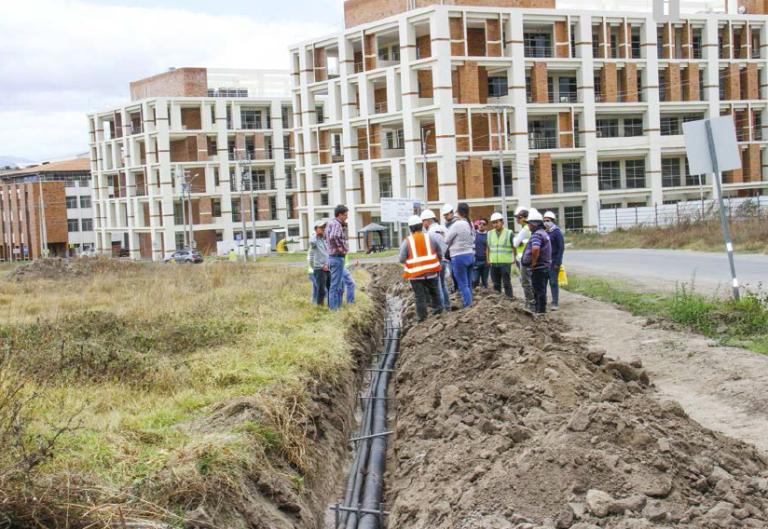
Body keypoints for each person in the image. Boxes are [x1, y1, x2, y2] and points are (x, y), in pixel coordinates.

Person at [400, 215, 444, 322]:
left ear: (410, 228)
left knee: (420, 297)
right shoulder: (430, 237)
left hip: (415, 275)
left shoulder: (407, 241)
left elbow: (401, 258)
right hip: (432, 273)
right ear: (421, 226)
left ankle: (422, 319)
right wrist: (436, 263)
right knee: (435, 293)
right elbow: (439, 253)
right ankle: (439, 315)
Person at [521, 210, 552, 314]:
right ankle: (541, 310)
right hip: (545, 266)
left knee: (538, 290)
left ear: (535, 224)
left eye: (529, 223)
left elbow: (535, 248)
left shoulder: (536, 234)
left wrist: (533, 262)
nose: (528, 225)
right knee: (541, 289)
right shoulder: (543, 233)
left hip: (539, 267)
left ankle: (540, 311)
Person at [421, 209, 452, 313]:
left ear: (427, 221)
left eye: (423, 222)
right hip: (445, 260)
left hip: (437, 262)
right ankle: (447, 307)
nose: (423, 224)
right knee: (443, 285)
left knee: (438, 287)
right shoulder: (444, 229)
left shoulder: (429, 233)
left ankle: (442, 309)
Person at [445, 202, 475, 308]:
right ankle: (470, 304)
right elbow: (473, 238)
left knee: (463, 285)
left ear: (458, 212)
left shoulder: (457, 224)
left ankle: (468, 306)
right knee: (468, 284)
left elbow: (446, 240)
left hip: (459, 257)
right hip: (470, 255)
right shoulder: (470, 224)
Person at [325, 204, 349, 311]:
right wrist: (341, 248)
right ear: (340, 215)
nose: (346, 217)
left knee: (337, 285)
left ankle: (336, 307)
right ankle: (333, 309)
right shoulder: (337, 224)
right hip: (337, 257)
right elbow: (333, 237)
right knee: (335, 286)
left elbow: (327, 238)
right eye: (345, 215)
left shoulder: (330, 223)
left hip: (332, 257)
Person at [486, 212, 514, 299]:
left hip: (505, 262)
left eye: (497, 222)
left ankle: (509, 298)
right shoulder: (489, 233)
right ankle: (497, 300)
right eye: (493, 223)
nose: (495, 224)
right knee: (496, 284)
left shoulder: (509, 233)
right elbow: (488, 247)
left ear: (502, 222)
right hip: (493, 263)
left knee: (506, 283)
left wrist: (515, 258)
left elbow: (515, 246)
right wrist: (488, 259)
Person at [513, 207, 534, 310]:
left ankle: (530, 302)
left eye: (520, 217)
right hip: (528, 259)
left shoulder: (525, 229)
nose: (518, 219)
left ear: (526, 218)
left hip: (524, 260)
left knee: (525, 282)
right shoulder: (529, 229)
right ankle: (532, 301)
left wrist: (515, 239)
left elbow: (515, 243)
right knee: (529, 281)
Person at [543, 211, 565, 311]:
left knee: (553, 282)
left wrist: (558, 262)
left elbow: (561, 248)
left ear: (552, 221)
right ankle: (543, 302)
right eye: (544, 220)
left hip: (554, 261)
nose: (546, 222)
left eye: (548, 220)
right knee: (543, 283)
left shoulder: (556, 232)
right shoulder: (544, 232)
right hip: (544, 262)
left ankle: (555, 302)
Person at [309, 219, 330, 306]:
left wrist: (327, 264)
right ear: (315, 229)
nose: (323, 229)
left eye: (324, 227)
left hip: (327, 268)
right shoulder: (314, 240)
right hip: (319, 269)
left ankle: (331, 306)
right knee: (321, 290)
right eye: (321, 227)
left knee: (330, 288)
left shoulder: (323, 239)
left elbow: (326, 253)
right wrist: (315, 233)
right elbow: (312, 242)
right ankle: (319, 307)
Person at [472, 218, 489, 289]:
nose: (481, 225)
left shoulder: (488, 235)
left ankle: (485, 294)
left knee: (485, 281)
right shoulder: (474, 234)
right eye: (480, 223)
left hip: (485, 261)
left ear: (486, 226)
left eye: (483, 224)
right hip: (476, 261)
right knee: (474, 280)